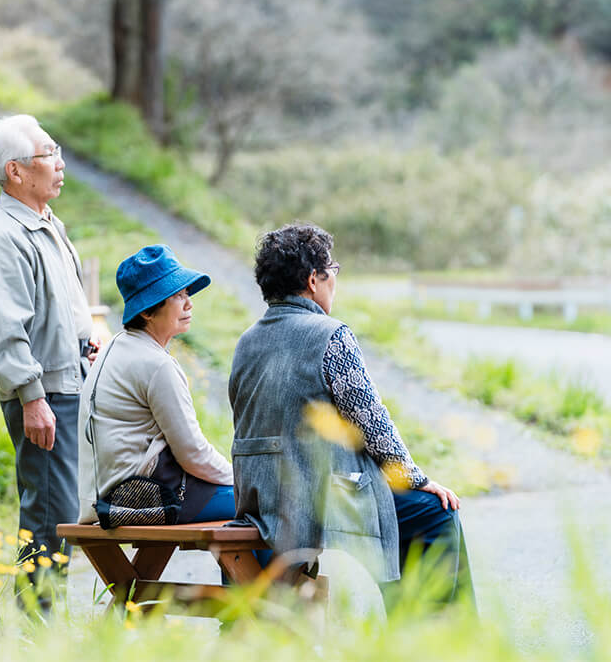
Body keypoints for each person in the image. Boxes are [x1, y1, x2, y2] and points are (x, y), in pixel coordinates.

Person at [228, 223, 474, 607]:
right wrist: (417, 479)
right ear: (313, 279)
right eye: (333, 271)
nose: (334, 281)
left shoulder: (246, 341)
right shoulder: (330, 334)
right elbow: (370, 420)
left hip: (258, 500)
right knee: (433, 512)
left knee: (412, 512)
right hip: (315, 499)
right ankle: (434, 638)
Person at [0, 114, 98, 604]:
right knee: (49, 519)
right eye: (49, 154)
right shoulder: (3, 237)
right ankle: (37, 636)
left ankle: (45, 629)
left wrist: (84, 341)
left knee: (62, 516)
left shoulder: (46, 223)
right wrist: (31, 396)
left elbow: (58, 308)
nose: (60, 164)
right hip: (45, 397)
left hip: (67, 385)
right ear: (16, 171)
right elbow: (5, 328)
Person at [78, 244, 233, 527]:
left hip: (108, 495)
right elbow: (193, 454)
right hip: (145, 497)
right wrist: (240, 479)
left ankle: (247, 572)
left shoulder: (116, 347)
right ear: (148, 312)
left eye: (187, 294)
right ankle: (255, 574)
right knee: (263, 506)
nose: (189, 303)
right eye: (177, 295)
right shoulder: (156, 364)